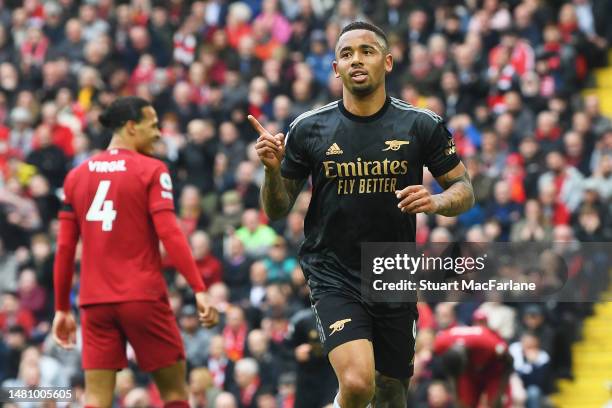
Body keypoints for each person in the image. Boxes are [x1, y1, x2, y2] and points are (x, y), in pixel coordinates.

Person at [249, 21, 474, 408]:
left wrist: (435, 201)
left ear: (387, 62)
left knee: (391, 393)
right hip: (332, 270)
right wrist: (271, 170)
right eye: (346, 54)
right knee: (356, 384)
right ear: (335, 68)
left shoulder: (421, 124)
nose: (356, 60)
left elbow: (465, 189)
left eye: (366, 51)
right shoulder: (308, 128)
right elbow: (276, 208)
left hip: (393, 270)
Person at [51, 96, 219, 408]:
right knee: (174, 395)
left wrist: (62, 308)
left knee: (96, 400)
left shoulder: (76, 176)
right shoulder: (152, 170)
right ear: (131, 127)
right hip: (142, 296)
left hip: (94, 302)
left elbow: (63, 248)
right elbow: (169, 231)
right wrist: (198, 287)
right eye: (153, 125)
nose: (158, 133)